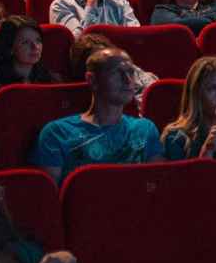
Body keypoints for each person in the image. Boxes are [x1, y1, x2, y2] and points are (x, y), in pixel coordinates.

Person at [32, 48, 163, 184]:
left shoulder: (145, 129)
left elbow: (158, 188)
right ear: (92, 80)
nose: (128, 80)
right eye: (117, 72)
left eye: (131, 72)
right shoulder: (57, 133)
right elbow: (49, 198)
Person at [0, 17, 56, 97]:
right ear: (10, 47)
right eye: (25, 42)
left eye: (38, 40)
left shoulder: (51, 78)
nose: (35, 47)